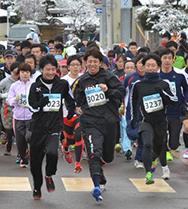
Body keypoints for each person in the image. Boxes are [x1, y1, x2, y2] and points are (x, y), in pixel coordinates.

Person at [72, 48, 126, 202]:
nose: (92, 64)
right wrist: (77, 107)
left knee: (107, 157)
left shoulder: (109, 77)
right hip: (90, 121)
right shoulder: (82, 80)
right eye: (90, 62)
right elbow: (77, 98)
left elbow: (121, 92)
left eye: (95, 62)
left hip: (109, 121)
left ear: (100, 63)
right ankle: (97, 184)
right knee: (94, 153)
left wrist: (108, 90)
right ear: (85, 63)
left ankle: (100, 174)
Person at [27, 55, 76, 199]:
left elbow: (69, 99)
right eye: (47, 69)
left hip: (55, 126)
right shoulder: (35, 87)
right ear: (41, 70)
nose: (50, 72)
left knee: (52, 152)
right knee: (35, 162)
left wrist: (71, 110)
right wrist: (40, 104)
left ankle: (49, 175)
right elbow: (31, 106)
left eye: (53, 69)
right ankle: (37, 187)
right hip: (38, 127)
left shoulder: (62, 84)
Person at [130, 54, 178, 184]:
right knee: (147, 144)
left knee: (158, 147)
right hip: (145, 121)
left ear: (158, 67)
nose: (150, 68)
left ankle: (153, 162)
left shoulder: (164, 83)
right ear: (143, 67)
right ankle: (148, 174)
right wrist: (133, 120)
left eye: (153, 65)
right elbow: (133, 102)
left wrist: (162, 93)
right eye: (148, 65)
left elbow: (174, 100)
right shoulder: (138, 85)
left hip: (161, 122)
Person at [157, 48, 188, 165]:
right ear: (160, 59)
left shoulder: (179, 75)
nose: (167, 61)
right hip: (161, 112)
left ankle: (170, 148)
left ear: (173, 60)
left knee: (174, 143)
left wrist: (185, 103)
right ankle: (164, 151)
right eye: (164, 58)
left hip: (176, 111)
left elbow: (187, 90)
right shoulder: (156, 76)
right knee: (162, 134)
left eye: (169, 58)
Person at [7, 62, 35, 168]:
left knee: (30, 136)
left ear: (30, 73)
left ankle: (32, 155)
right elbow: (9, 100)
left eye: (27, 72)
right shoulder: (14, 86)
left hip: (31, 116)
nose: (25, 74)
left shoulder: (34, 85)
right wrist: (15, 99)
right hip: (18, 116)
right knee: (20, 140)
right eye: (23, 72)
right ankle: (23, 158)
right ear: (19, 73)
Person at [60, 55, 84, 169]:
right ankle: (65, 147)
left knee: (79, 134)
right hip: (66, 113)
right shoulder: (63, 81)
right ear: (68, 67)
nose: (75, 67)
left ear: (81, 67)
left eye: (78, 65)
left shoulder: (84, 79)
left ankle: (78, 163)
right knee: (69, 139)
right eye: (73, 65)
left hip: (80, 113)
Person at [0, 61, 20, 158]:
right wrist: (3, 95)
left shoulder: (23, 81)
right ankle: (9, 142)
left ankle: (20, 153)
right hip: (7, 109)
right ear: (11, 72)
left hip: (20, 109)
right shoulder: (6, 81)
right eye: (15, 73)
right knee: (9, 129)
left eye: (19, 73)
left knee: (18, 130)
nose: (17, 75)